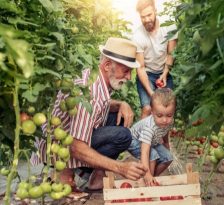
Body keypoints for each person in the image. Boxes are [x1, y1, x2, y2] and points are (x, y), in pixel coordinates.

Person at [31, 37, 147, 194]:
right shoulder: (89, 94)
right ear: (107, 66)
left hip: (66, 137)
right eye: (126, 71)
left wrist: (121, 104)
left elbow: (103, 104)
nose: (128, 77)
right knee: (123, 135)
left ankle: (96, 176)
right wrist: (120, 167)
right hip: (58, 148)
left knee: (119, 119)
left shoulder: (96, 77)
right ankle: (64, 173)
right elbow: (77, 146)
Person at [132, 0, 177, 119]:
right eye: (143, 17)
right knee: (147, 108)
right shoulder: (137, 36)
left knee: (166, 111)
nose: (146, 19)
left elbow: (171, 54)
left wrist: (165, 74)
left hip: (164, 73)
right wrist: (152, 94)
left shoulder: (169, 27)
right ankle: (142, 138)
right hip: (147, 74)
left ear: (155, 11)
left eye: (149, 15)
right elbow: (140, 68)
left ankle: (165, 138)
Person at [127, 88, 175, 186]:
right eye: (160, 115)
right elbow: (145, 151)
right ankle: (148, 180)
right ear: (152, 112)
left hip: (152, 141)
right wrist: (147, 173)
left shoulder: (169, 121)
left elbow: (165, 131)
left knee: (168, 157)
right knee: (152, 155)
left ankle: (152, 179)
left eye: (169, 115)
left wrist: (166, 144)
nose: (165, 120)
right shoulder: (149, 127)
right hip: (133, 140)